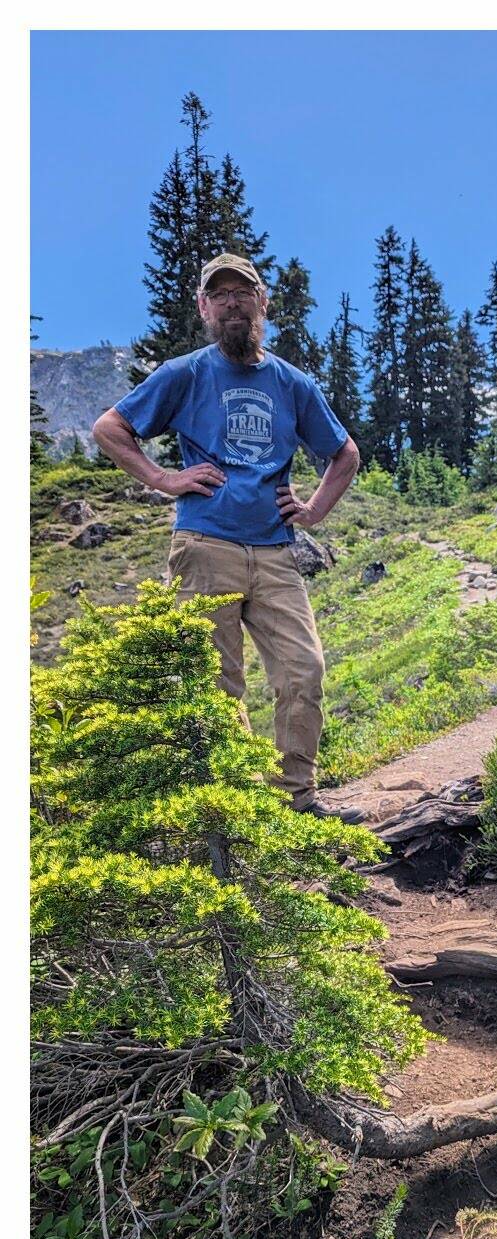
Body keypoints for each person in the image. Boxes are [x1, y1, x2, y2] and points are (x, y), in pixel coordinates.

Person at [93, 252, 364, 823]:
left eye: (243, 293)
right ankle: (238, 806)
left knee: (303, 669)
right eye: (220, 295)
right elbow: (110, 429)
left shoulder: (291, 383)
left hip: (274, 551)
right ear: (204, 307)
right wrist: (165, 479)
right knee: (218, 685)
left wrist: (313, 509)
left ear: (262, 302)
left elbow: (344, 454)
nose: (232, 303)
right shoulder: (186, 373)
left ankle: (296, 797)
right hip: (204, 546)